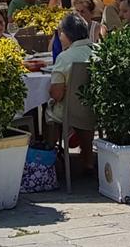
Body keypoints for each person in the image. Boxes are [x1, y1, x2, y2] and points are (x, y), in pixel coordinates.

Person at [46, 12, 95, 168]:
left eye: (61, 33)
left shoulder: (65, 57)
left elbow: (57, 94)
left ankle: (50, 160)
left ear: (67, 35)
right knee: (83, 111)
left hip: (70, 112)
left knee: (49, 113)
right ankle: (88, 158)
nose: (60, 37)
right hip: (96, 109)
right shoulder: (100, 51)